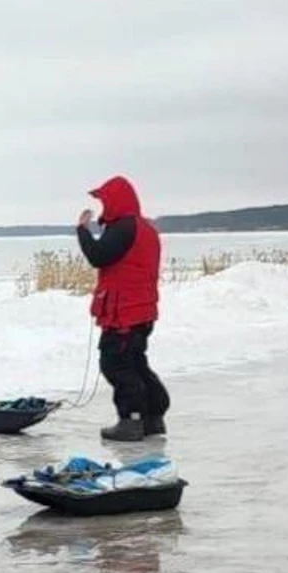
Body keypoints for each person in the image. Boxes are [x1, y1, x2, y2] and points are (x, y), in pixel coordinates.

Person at [77, 175, 168, 441]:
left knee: (116, 363)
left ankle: (132, 419)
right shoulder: (144, 228)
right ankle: (153, 417)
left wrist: (82, 230)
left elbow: (98, 255)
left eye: (104, 200)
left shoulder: (125, 227)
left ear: (116, 200)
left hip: (125, 312)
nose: (103, 206)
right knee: (136, 362)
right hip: (141, 310)